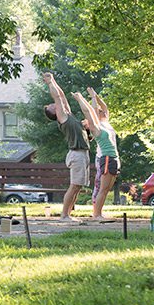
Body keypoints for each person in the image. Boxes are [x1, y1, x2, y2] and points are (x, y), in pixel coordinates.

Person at [43, 72, 91, 221]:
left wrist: (55, 80)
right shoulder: (62, 118)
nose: (55, 104)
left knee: (78, 187)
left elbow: (61, 96)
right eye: (53, 106)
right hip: (76, 154)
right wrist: (50, 83)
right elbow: (57, 97)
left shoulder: (68, 115)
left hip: (82, 154)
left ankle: (68, 214)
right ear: (54, 112)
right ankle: (64, 215)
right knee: (74, 185)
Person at [76, 89, 119, 222]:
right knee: (103, 188)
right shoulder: (96, 127)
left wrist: (95, 95)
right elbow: (91, 111)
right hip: (106, 158)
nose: (101, 110)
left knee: (106, 189)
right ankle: (96, 215)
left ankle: (99, 212)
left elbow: (104, 107)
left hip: (113, 158)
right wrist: (82, 99)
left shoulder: (105, 122)